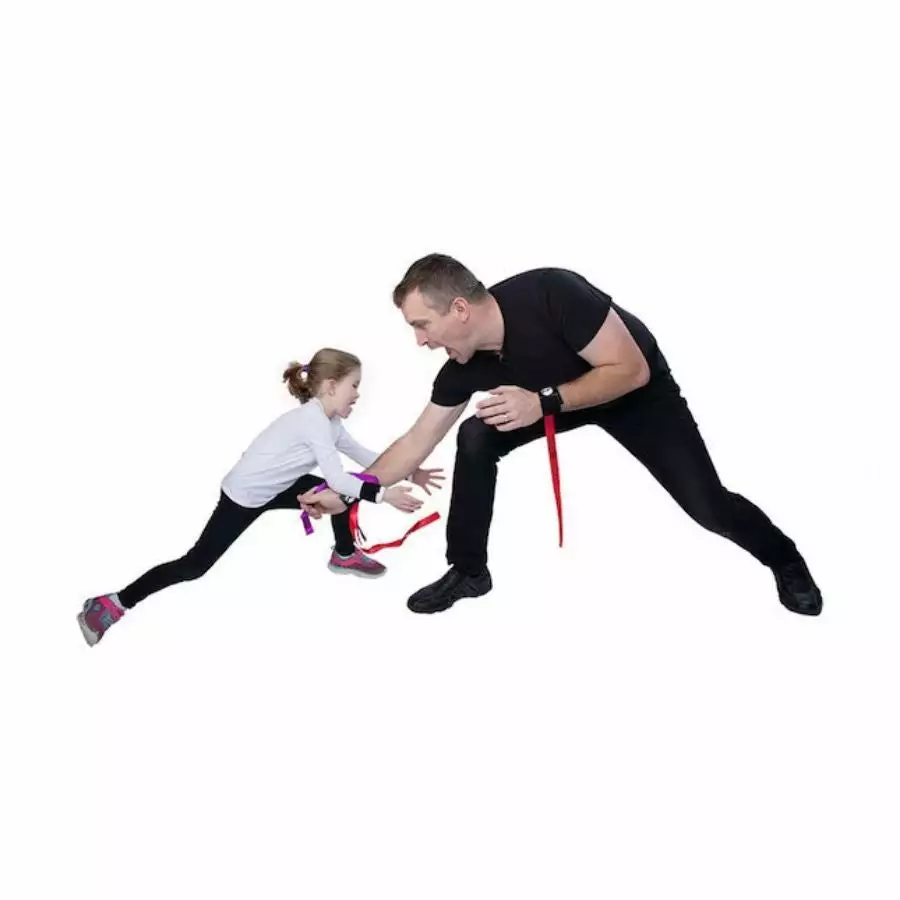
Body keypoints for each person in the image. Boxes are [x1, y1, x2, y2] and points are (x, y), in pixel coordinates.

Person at [299, 254, 823, 617]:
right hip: (552, 398)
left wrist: (543, 401)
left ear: (459, 309)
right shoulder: (462, 365)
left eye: (422, 324)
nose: (420, 341)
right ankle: (469, 571)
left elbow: (630, 369)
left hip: (635, 390)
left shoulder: (551, 292)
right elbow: (417, 441)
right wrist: (347, 490)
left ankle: (785, 558)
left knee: (707, 506)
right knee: (476, 437)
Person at [77, 348, 444, 646]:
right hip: (245, 495)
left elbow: (363, 456)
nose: (358, 394)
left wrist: (411, 471)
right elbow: (337, 478)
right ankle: (111, 604)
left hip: (279, 484)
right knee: (194, 566)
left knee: (342, 493)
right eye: (354, 385)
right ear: (332, 386)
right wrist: (383, 495)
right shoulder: (313, 421)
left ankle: (344, 554)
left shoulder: (330, 423)